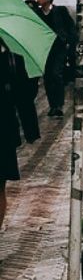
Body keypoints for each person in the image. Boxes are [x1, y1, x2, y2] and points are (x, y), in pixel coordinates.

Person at [0, 39, 40, 229]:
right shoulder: (12, 59)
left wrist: (31, 129)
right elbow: (25, 95)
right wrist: (31, 130)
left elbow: (24, 96)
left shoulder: (12, 60)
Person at [34, 0, 76, 117]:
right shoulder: (38, 13)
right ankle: (52, 105)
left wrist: (68, 41)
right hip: (44, 49)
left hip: (59, 47)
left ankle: (59, 105)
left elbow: (70, 26)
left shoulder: (60, 11)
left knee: (56, 74)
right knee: (47, 77)